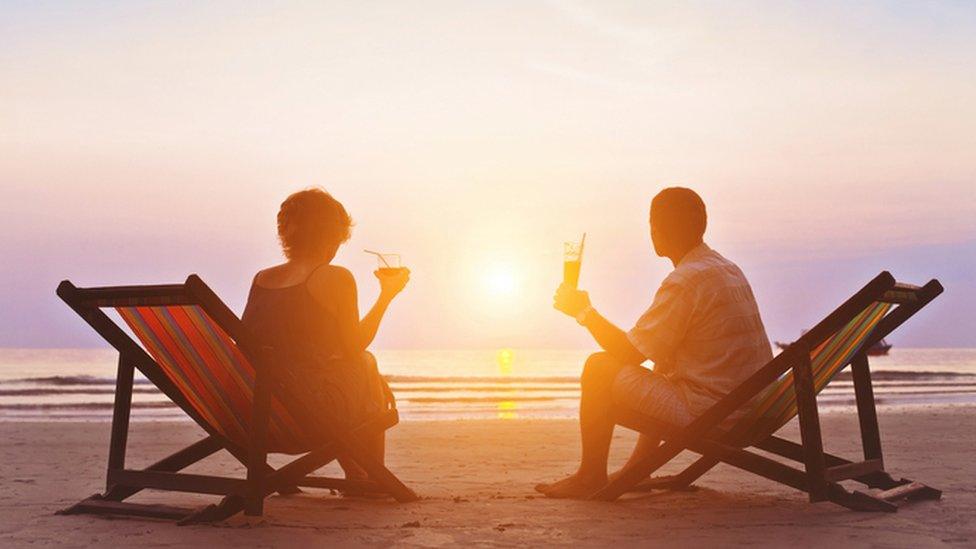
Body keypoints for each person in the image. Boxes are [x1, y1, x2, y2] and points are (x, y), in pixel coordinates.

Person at [537, 187, 773, 499]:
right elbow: (650, 353)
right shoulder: (725, 268)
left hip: (715, 413)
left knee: (598, 368)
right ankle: (638, 468)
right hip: (752, 406)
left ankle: (590, 476)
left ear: (657, 228)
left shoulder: (686, 281)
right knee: (663, 365)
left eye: (651, 223)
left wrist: (583, 312)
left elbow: (628, 354)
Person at [241, 187, 409, 488]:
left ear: (286, 234)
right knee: (364, 361)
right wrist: (387, 295)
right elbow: (355, 344)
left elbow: (260, 343)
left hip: (255, 418)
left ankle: (359, 472)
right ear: (334, 235)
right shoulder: (335, 277)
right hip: (306, 418)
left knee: (342, 369)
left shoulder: (262, 279)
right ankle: (370, 478)